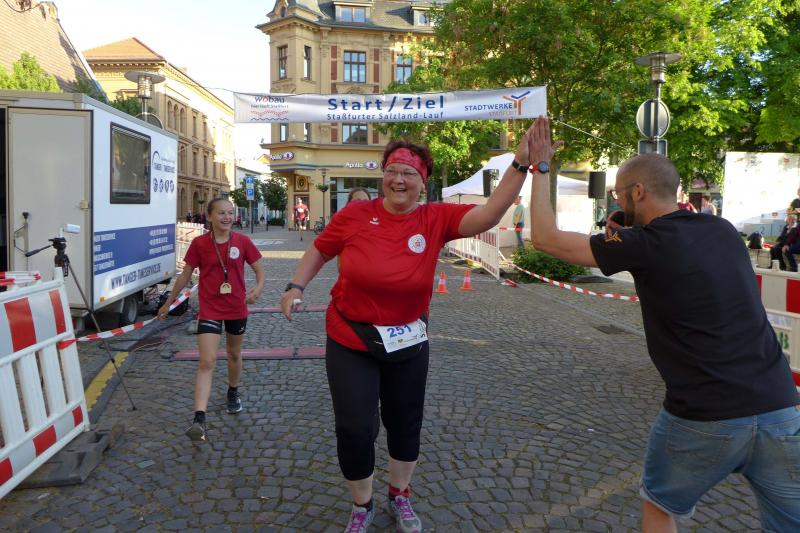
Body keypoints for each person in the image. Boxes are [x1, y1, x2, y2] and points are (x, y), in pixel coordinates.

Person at [527, 117, 800, 533]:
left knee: (660, 506)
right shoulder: (723, 230)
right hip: (779, 405)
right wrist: (625, 234)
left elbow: (545, 238)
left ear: (638, 192)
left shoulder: (644, 244)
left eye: (620, 193)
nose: (619, 200)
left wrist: (542, 166)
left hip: (705, 413)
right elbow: (682, 253)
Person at [279, 127, 539, 533]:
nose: (398, 180)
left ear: (423, 181)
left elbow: (489, 214)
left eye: (409, 173)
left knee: (405, 421)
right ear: (382, 175)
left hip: (408, 339)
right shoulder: (354, 215)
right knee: (354, 426)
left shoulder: (435, 218)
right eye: (392, 171)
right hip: (350, 336)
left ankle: (399, 494)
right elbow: (321, 248)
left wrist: (520, 164)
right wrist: (296, 286)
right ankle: (361, 504)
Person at [158, 198, 265, 442]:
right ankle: (199, 419)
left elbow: (260, 270)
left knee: (234, 354)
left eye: (230, 213)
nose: (227, 217)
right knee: (207, 361)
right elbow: (185, 275)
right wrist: (168, 302)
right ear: (209, 216)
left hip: (236, 307)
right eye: (221, 213)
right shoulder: (199, 244)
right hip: (210, 309)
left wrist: (258, 288)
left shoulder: (243, 241)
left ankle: (233, 391)